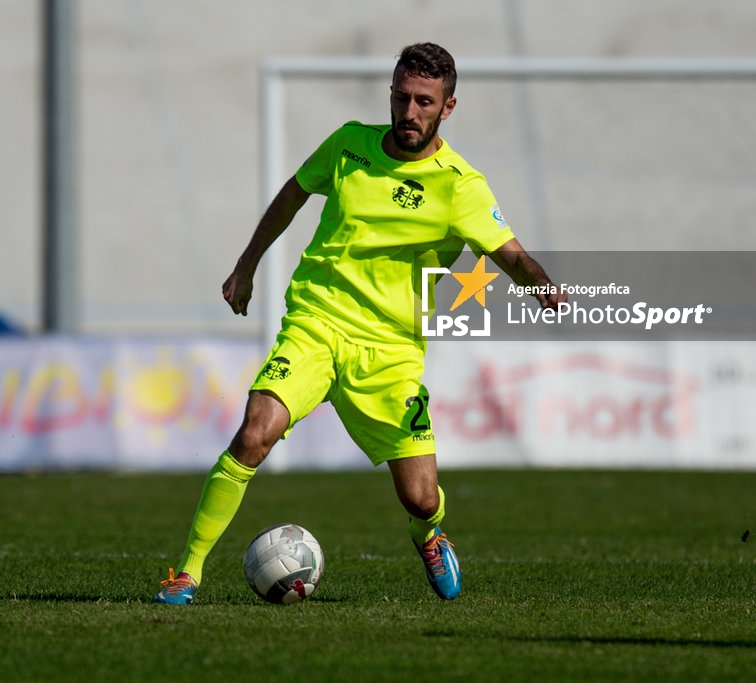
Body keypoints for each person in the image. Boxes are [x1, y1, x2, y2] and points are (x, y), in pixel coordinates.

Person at [155, 42, 566, 604]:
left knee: (421, 498)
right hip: (317, 323)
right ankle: (187, 571)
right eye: (402, 97)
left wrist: (544, 287)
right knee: (254, 434)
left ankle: (430, 534)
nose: (410, 111)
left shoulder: (461, 187)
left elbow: (511, 254)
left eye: (425, 101)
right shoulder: (350, 144)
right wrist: (245, 266)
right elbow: (292, 196)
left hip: (392, 351)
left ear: (448, 107)